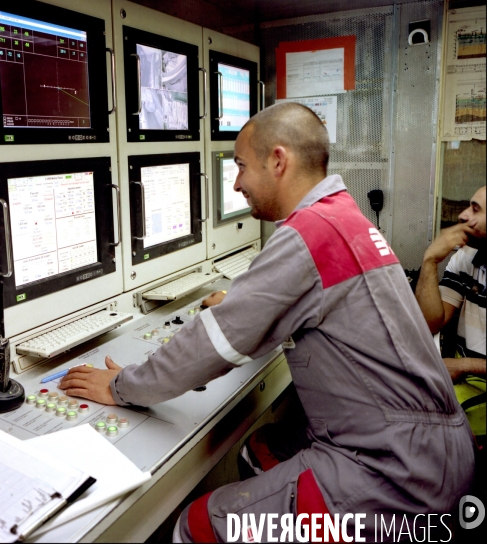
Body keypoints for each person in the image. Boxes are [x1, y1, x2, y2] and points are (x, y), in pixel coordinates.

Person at [60, 103, 474, 542]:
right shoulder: (343, 218)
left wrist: (122, 387)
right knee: (261, 451)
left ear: (278, 161)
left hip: (391, 479)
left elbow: (211, 346)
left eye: (240, 166)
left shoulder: (309, 234)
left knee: (196, 525)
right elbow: (322, 304)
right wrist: (246, 303)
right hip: (438, 454)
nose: (236, 183)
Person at [415, 186, 486, 437]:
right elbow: (430, 323)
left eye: (476, 209)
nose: (463, 215)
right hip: (465, 377)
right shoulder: (467, 257)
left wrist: (464, 364)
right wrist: (430, 261)